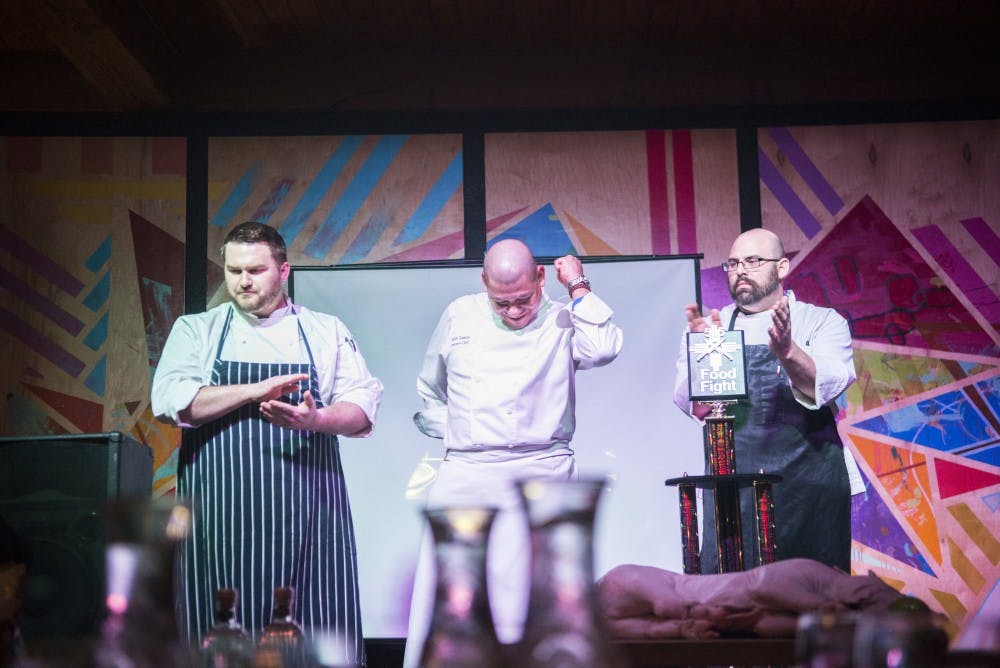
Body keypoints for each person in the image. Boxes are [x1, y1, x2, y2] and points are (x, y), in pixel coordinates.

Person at [151, 222, 382, 665]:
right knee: (216, 632)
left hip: (309, 519)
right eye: (233, 270)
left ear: (283, 270)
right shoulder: (197, 330)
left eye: (255, 270)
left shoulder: (324, 329)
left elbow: (362, 409)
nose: (243, 281)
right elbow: (170, 402)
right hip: (219, 518)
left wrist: (316, 419)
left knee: (316, 629)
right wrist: (252, 391)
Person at [402, 238, 623, 665]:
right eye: (501, 303)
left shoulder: (563, 317)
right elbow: (431, 386)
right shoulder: (459, 314)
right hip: (468, 474)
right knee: (451, 596)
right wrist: (464, 430)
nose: (514, 311)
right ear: (484, 283)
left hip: (542, 472)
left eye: (523, 300)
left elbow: (604, 348)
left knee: (535, 598)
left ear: (541, 277)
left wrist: (578, 285)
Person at [673, 228, 857, 574]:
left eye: (753, 261)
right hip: (733, 490)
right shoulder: (710, 329)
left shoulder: (822, 322)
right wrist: (706, 362)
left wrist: (788, 352)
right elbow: (698, 410)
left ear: (782, 267)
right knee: (730, 592)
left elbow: (826, 385)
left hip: (808, 487)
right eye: (733, 263)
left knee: (810, 592)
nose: (741, 270)